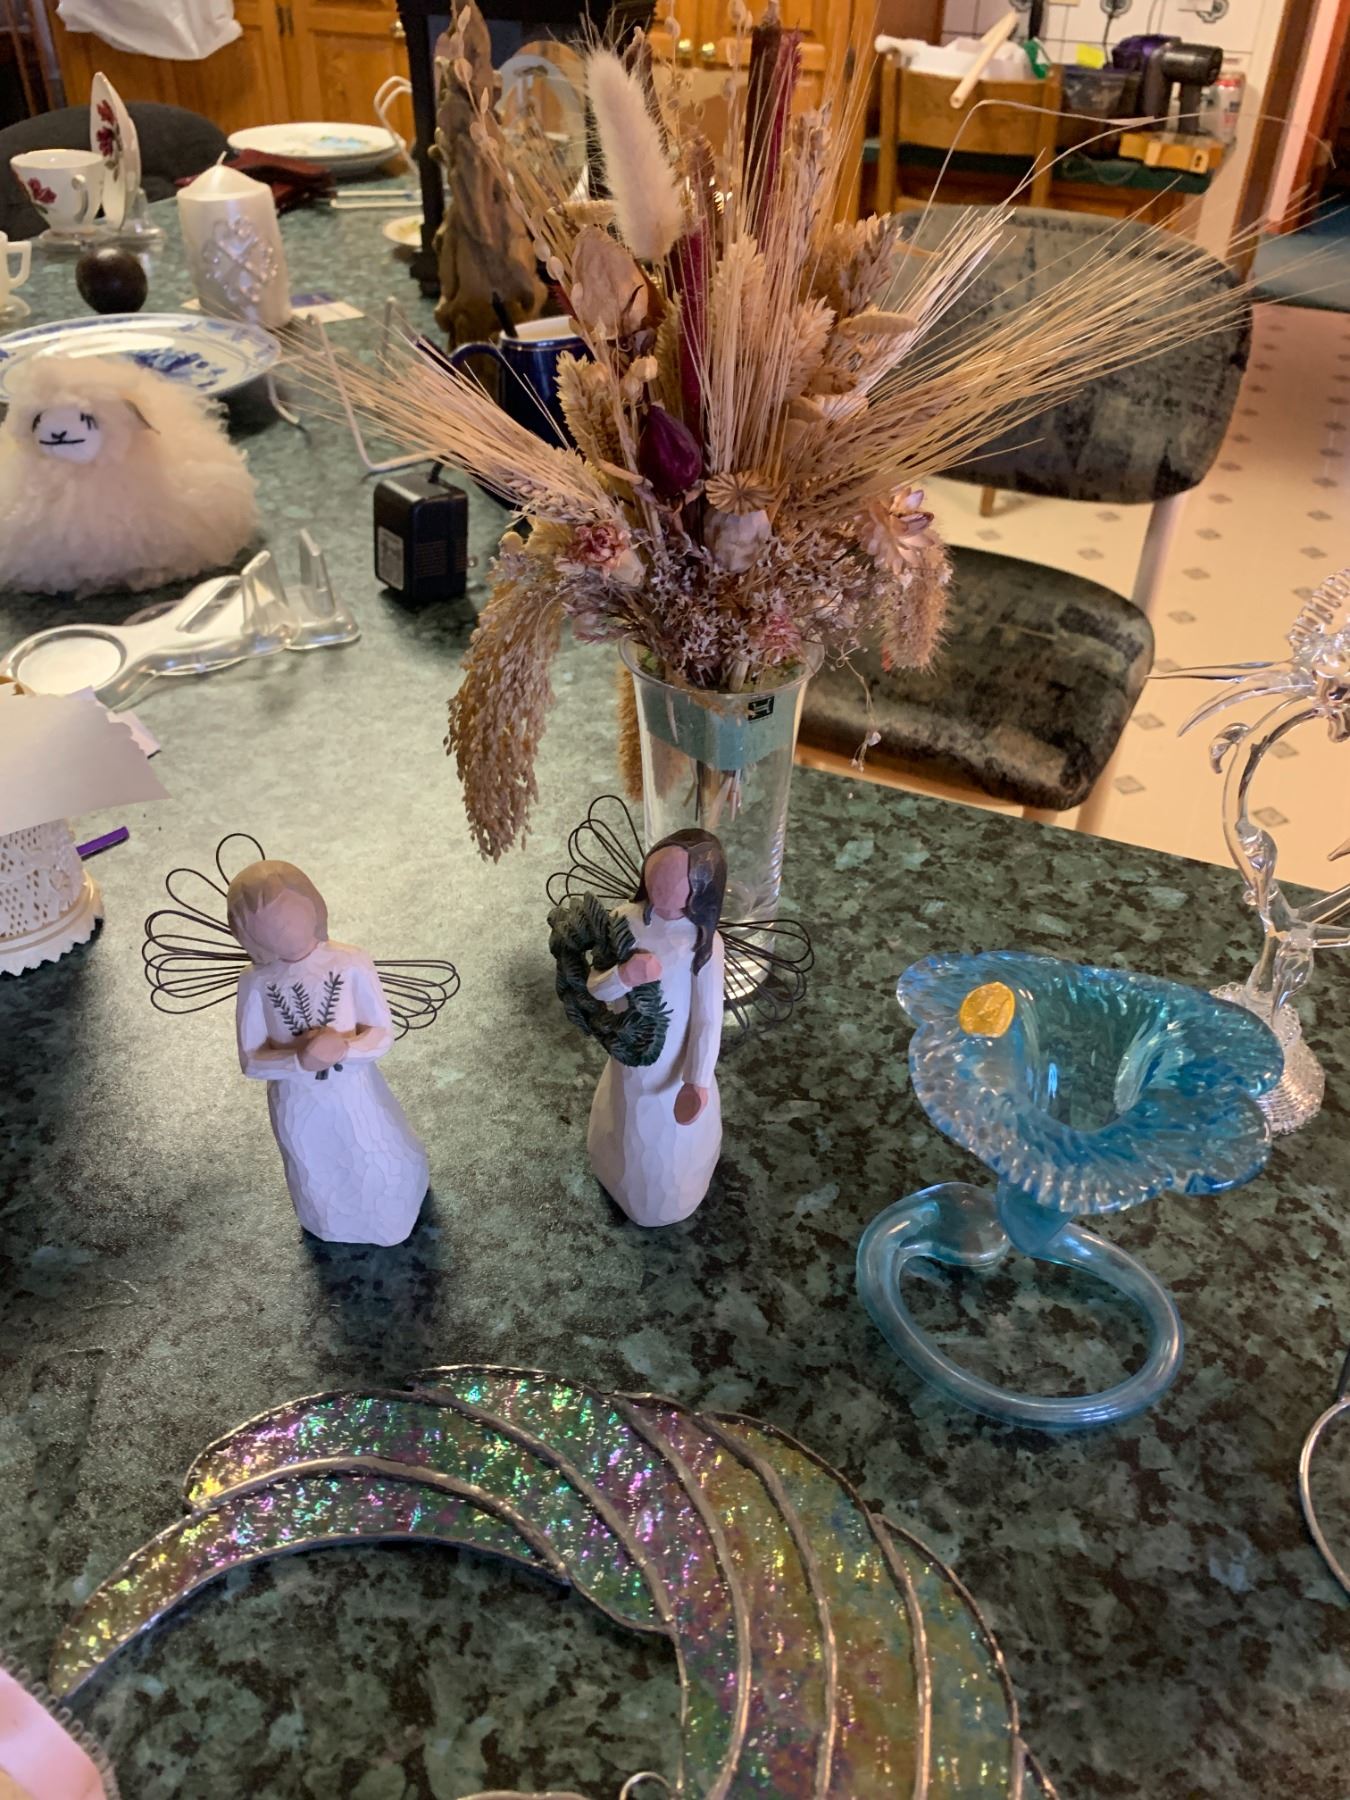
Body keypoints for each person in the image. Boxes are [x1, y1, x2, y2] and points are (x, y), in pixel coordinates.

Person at [227, 859, 429, 1246]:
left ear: (313, 904)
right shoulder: (255, 983)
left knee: (374, 1154)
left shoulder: (351, 962)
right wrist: (298, 1060)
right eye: (264, 926)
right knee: (316, 1168)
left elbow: (382, 1034)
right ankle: (328, 1221)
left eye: (288, 914)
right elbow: (251, 1061)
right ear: (247, 936)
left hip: (356, 1094)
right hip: (298, 1104)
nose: (282, 929)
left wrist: (346, 1048)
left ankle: (394, 1212)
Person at [583, 829, 727, 1226]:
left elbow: (708, 1019)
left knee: (671, 1154)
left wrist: (697, 1081)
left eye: (673, 882)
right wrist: (624, 975)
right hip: (628, 1066)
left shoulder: (705, 944)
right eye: (656, 877)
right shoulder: (621, 922)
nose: (660, 888)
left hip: (675, 1076)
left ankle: (675, 1191)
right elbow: (595, 987)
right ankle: (616, 1172)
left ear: (701, 890)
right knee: (625, 1133)